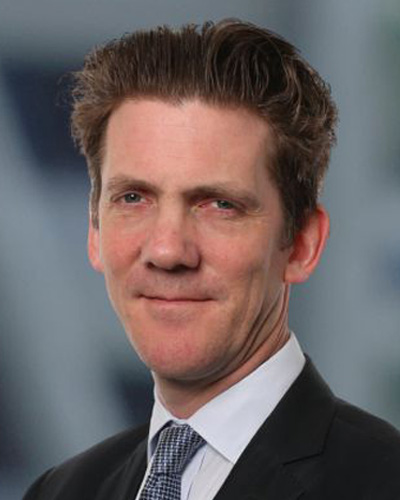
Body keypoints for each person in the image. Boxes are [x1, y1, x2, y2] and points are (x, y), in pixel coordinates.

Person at [24, 19, 400, 500]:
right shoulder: (62, 491)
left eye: (220, 205)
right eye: (133, 198)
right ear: (94, 231)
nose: (167, 251)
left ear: (302, 244)